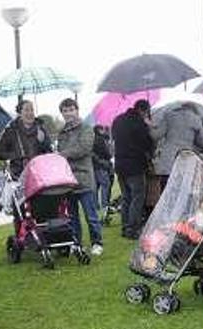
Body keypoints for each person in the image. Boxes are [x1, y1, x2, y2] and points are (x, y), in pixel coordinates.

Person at [57, 98, 103, 256]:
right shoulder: (61, 133)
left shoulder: (86, 128)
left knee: (91, 216)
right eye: (65, 110)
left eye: (71, 109)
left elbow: (84, 148)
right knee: (72, 217)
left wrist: (62, 154)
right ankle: (76, 243)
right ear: (62, 113)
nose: (68, 113)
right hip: (67, 181)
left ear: (77, 110)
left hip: (84, 179)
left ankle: (97, 242)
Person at [111, 99, 154, 239]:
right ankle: (133, 228)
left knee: (126, 197)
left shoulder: (117, 120)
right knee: (137, 197)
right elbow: (147, 144)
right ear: (144, 110)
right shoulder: (139, 123)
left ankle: (125, 227)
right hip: (135, 165)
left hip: (119, 164)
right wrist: (148, 127)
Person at [150, 101, 203, 191]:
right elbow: (202, 142)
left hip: (168, 160)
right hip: (185, 159)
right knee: (182, 191)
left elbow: (156, 135)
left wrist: (149, 126)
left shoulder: (169, 115)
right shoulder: (196, 119)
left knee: (166, 190)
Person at [0, 99, 52, 180]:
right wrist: (16, 155)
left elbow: (49, 152)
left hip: (39, 174)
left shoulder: (41, 129)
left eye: (32, 110)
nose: (30, 113)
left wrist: (42, 142)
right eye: (26, 110)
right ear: (19, 113)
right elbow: (0, 153)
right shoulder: (11, 131)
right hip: (18, 175)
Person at [92, 124, 114, 213]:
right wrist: (109, 155)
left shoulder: (93, 140)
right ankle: (105, 205)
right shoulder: (100, 140)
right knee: (106, 185)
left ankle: (95, 206)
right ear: (99, 130)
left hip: (94, 167)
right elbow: (106, 153)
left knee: (96, 187)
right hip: (102, 166)